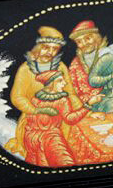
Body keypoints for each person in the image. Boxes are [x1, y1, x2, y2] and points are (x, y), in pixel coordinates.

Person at [6, 26, 81, 158]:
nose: (50, 52)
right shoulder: (25, 69)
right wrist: (37, 110)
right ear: (37, 47)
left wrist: (82, 110)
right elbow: (17, 97)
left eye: (55, 49)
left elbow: (70, 93)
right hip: (33, 122)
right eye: (46, 47)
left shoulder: (60, 67)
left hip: (62, 120)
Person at [24, 70, 102, 167]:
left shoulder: (35, 99)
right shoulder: (62, 100)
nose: (64, 83)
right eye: (60, 81)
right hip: (51, 139)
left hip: (31, 138)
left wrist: (88, 113)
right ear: (51, 84)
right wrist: (88, 104)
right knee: (66, 165)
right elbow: (70, 119)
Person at [67, 20, 108, 106]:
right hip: (87, 107)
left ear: (96, 37)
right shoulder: (75, 64)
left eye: (87, 38)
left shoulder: (109, 55)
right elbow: (72, 91)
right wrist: (88, 102)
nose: (84, 44)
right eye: (79, 41)